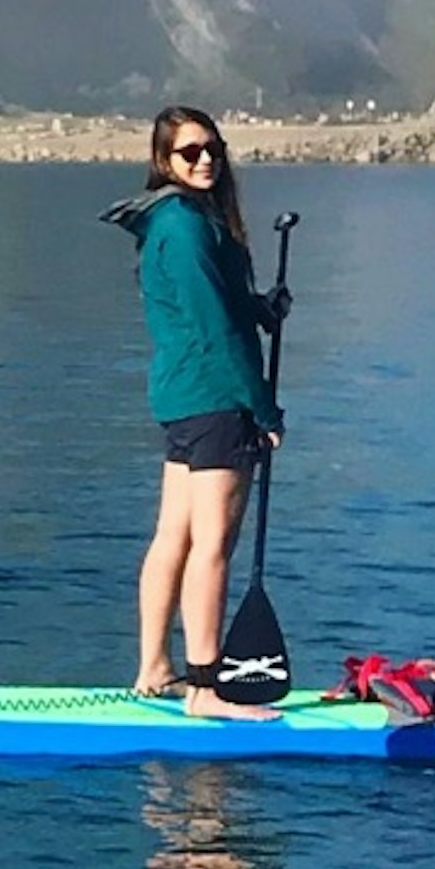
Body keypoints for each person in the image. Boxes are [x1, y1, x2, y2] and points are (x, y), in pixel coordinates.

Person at [110, 104, 286, 712]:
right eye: (189, 152)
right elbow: (215, 332)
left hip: (183, 398)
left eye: (212, 148)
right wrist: (264, 411)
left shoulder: (173, 222)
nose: (205, 159)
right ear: (164, 161)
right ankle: (206, 689)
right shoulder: (186, 227)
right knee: (212, 544)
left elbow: (213, 307)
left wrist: (262, 308)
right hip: (216, 400)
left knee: (174, 538)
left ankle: (155, 667)